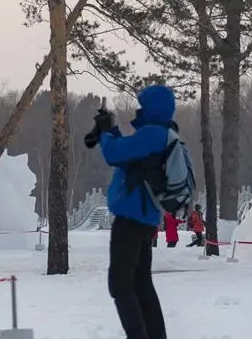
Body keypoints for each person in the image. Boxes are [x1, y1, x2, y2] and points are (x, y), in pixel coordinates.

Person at [85, 84, 192, 339]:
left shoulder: (153, 134)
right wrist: (107, 130)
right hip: (145, 220)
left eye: (142, 105)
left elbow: (114, 154)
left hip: (131, 220)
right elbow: (128, 154)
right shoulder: (163, 134)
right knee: (141, 283)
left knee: (121, 284)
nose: (138, 109)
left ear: (151, 108)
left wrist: (106, 134)